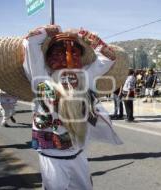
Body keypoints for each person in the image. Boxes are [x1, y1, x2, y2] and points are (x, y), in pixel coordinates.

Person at [23, 25, 122, 189]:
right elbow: (30, 42)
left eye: (73, 53)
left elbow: (109, 57)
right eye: (59, 54)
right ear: (49, 59)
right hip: (51, 155)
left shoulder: (86, 76)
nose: (67, 59)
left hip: (78, 153)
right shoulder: (40, 77)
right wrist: (47, 32)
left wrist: (84, 35)